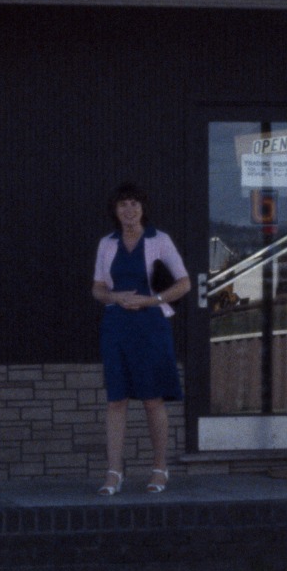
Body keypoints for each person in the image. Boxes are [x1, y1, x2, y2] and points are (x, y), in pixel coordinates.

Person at [91, 183, 191, 495]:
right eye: (123, 205)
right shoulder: (106, 244)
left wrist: (153, 300)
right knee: (116, 400)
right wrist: (114, 295)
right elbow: (97, 289)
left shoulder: (159, 240)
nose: (129, 210)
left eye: (134, 204)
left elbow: (184, 283)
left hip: (151, 326)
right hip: (117, 325)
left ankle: (160, 468)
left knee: (152, 399)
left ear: (143, 208)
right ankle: (113, 472)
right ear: (115, 210)